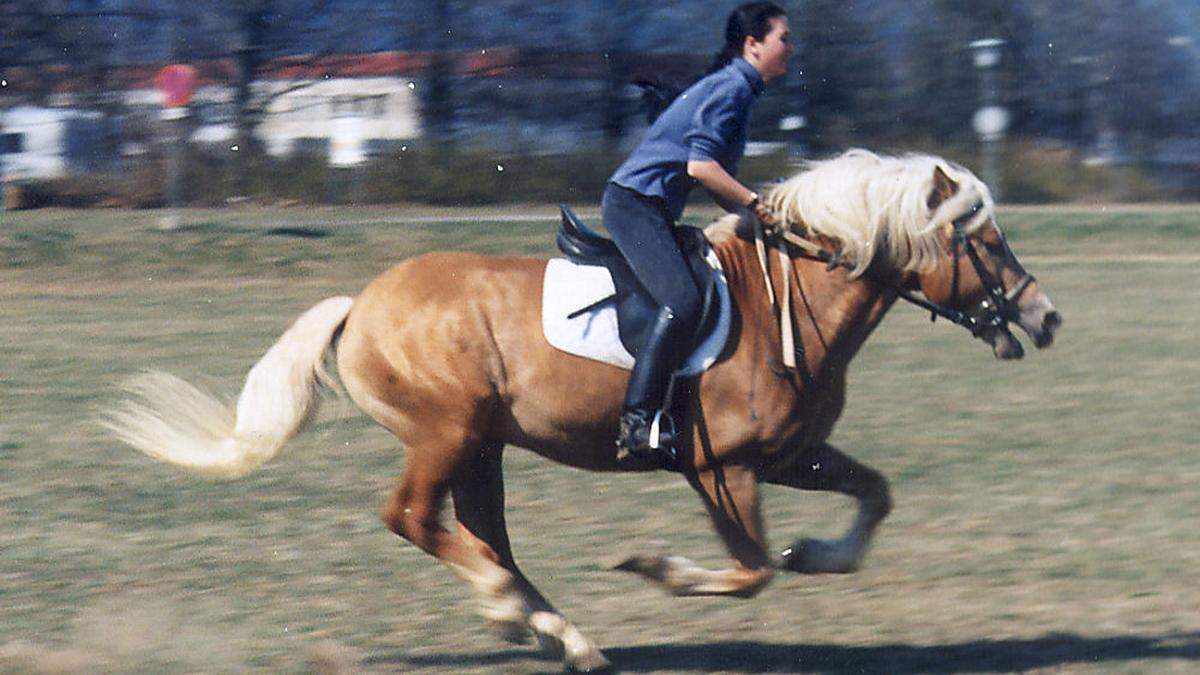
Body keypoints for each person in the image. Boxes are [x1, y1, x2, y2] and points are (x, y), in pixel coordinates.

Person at [604, 1, 793, 461]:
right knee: (683, 300)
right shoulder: (731, 89)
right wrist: (753, 203)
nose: (791, 48)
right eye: (783, 39)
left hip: (649, 208)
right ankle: (637, 421)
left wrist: (762, 218)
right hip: (634, 206)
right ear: (753, 45)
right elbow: (702, 167)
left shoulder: (739, 90)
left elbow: (718, 182)